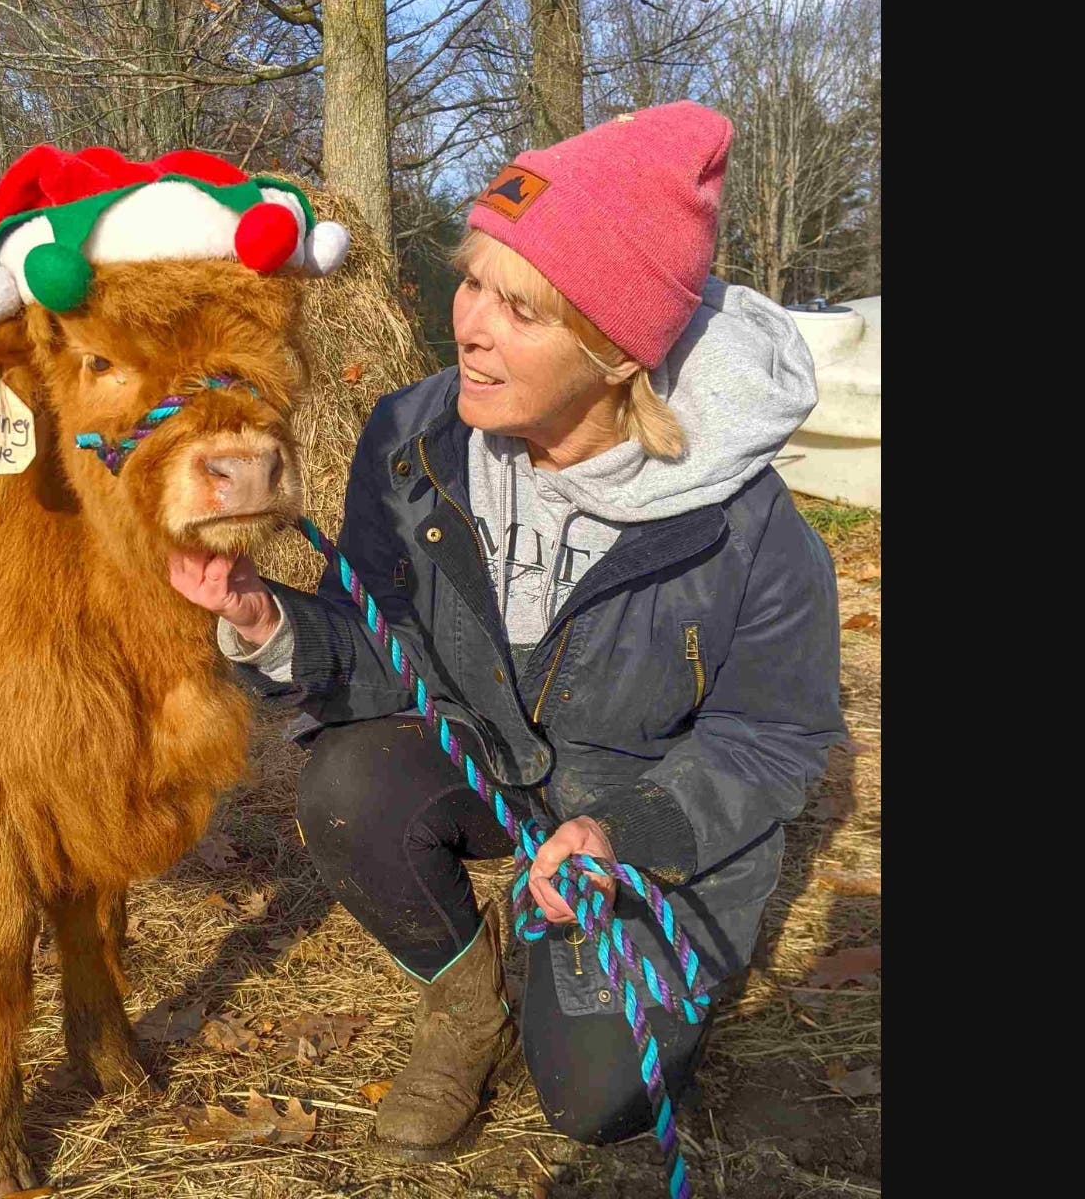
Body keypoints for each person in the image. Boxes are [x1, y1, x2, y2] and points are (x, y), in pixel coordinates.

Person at [169, 100, 845, 1160]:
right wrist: (267, 625)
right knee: (349, 790)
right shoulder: (413, 438)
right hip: (492, 762)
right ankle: (463, 997)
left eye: (519, 309)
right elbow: (379, 641)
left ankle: (580, 971)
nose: (468, 321)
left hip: (635, 821)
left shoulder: (748, 526)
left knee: (596, 1104)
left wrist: (631, 834)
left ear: (617, 352)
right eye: (474, 277)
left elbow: (774, 739)